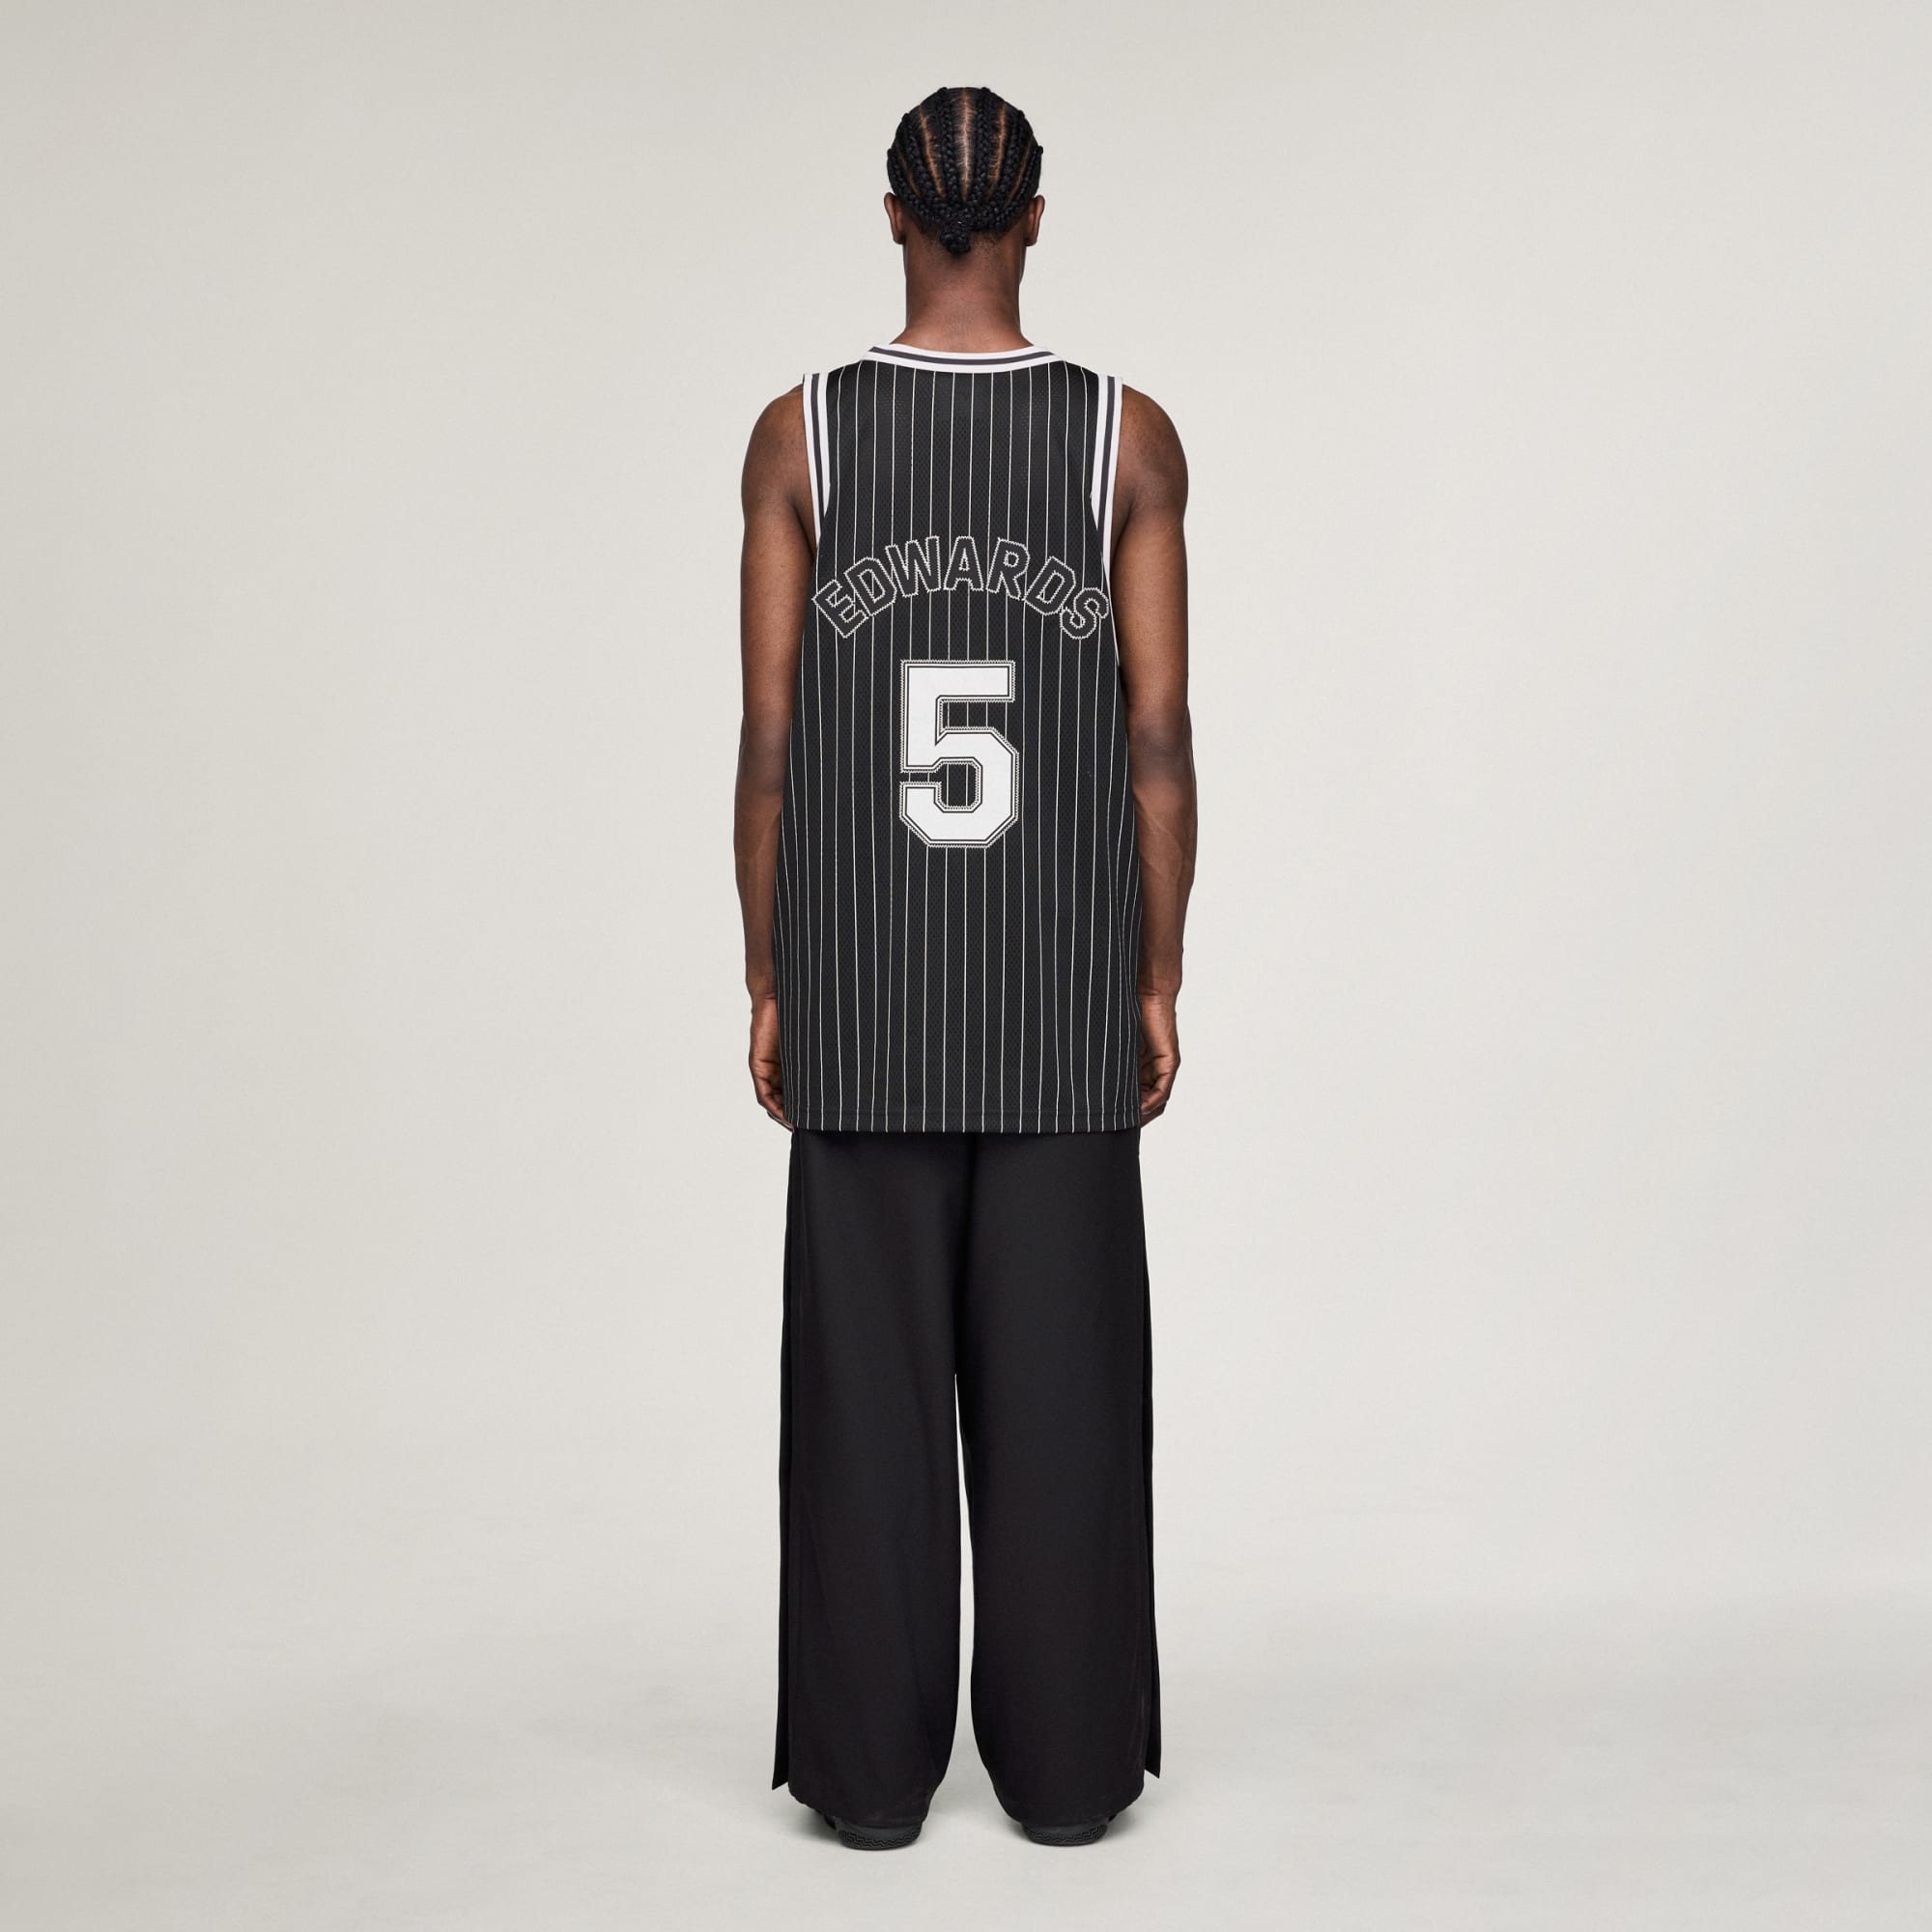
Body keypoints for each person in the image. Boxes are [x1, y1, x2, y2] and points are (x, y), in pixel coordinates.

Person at [734, 84, 1196, 1851]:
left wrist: (769, 972)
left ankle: (867, 1789)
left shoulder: (803, 436)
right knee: (1067, 1413)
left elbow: (770, 745)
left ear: (891, 214)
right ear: (1036, 218)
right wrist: (1156, 976)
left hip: (865, 996)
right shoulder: (1121, 439)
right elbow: (1158, 742)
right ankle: (1070, 1784)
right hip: (1061, 999)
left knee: (863, 1423)